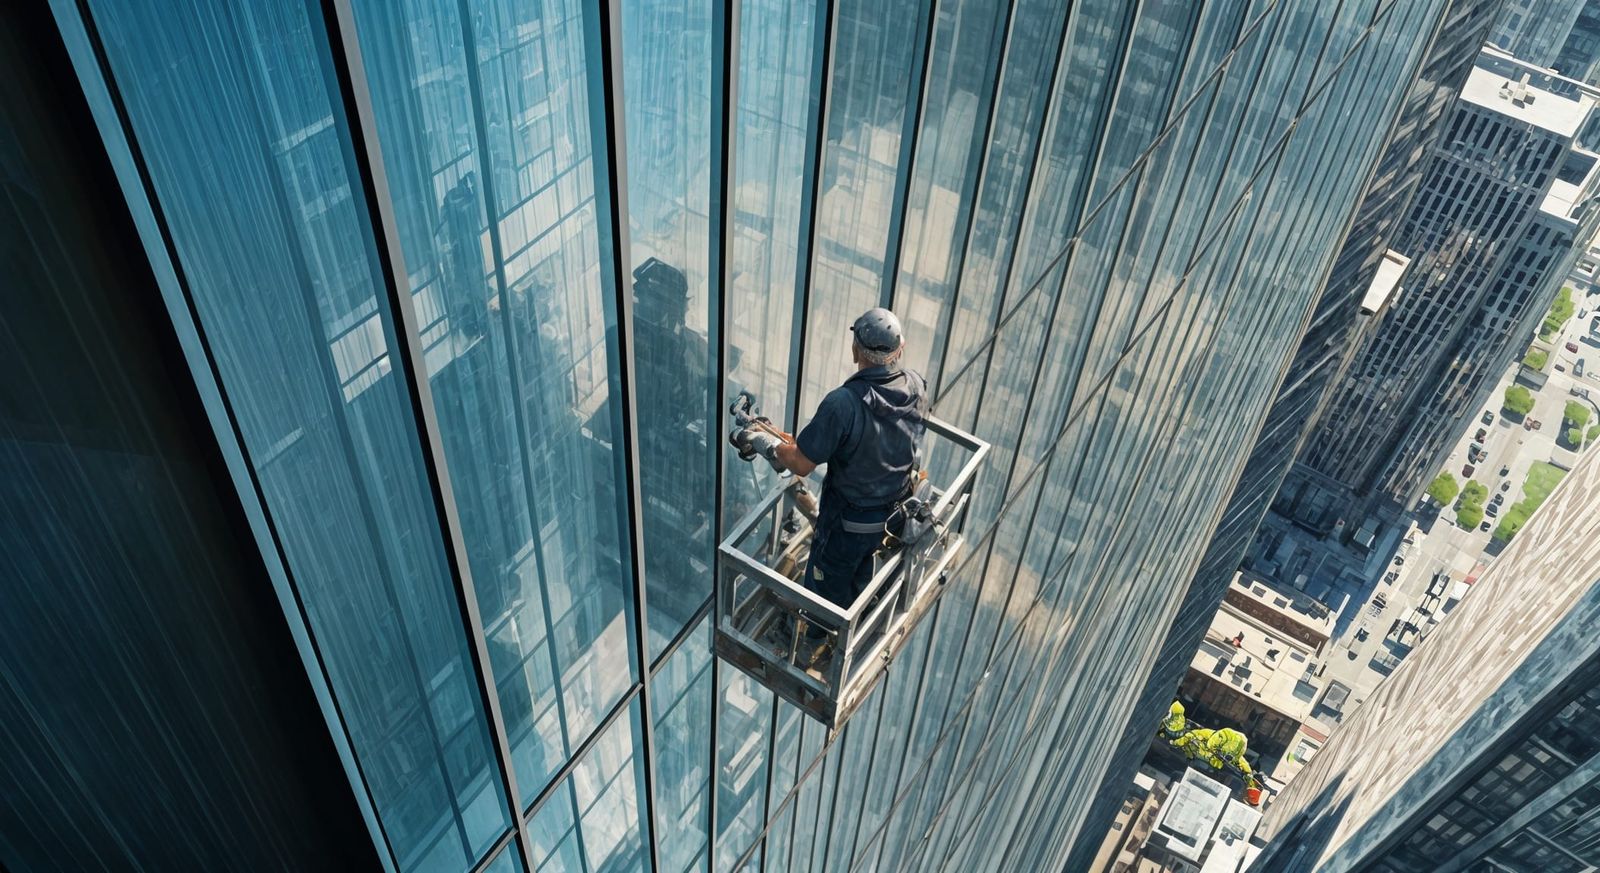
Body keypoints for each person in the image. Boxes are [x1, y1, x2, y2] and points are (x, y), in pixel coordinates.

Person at [770, 308, 928, 613]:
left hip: (846, 524)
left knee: (826, 586)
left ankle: (814, 635)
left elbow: (802, 464)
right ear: (900, 349)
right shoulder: (916, 386)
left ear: (856, 351)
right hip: (893, 515)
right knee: (864, 574)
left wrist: (775, 447)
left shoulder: (843, 404)